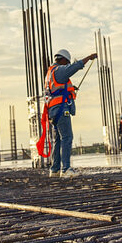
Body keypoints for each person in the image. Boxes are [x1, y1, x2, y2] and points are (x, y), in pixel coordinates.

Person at [42, 49, 96, 177]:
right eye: (66, 62)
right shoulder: (59, 70)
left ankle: (54, 169)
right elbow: (74, 67)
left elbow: (57, 89)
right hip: (60, 109)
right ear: (62, 60)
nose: (67, 65)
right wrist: (88, 57)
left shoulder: (50, 73)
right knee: (67, 137)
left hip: (53, 111)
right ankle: (66, 169)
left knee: (59, 140)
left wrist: (71, 88)